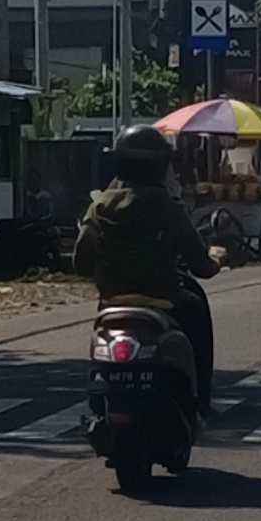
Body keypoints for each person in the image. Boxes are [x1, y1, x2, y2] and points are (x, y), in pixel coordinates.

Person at [74, 124, 222, 409]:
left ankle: (98, 396)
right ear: (161, 166)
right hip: (164, 301)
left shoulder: (99, 206)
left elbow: (81, 263)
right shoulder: (168, 206)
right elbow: (201, 266)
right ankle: (201, 399)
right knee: (196, 307)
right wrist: (217, 260)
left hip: (111, 304)